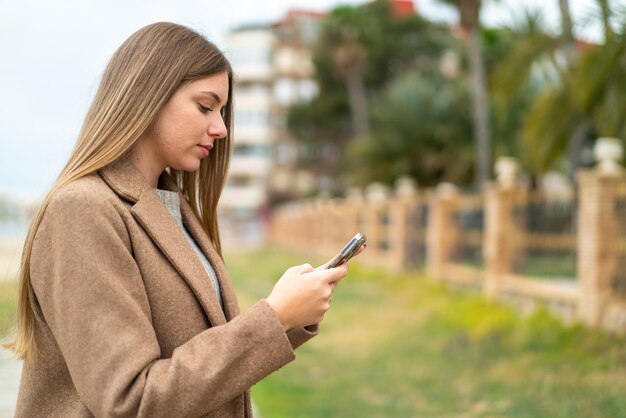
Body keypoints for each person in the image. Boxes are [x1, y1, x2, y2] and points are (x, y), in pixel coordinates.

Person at [7, 22, 362, 417]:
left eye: (222, 111)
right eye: (205, 106)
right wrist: (274, 318)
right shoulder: (83, 210)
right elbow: (130, 401)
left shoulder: (170, 208)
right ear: (147, 95)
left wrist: (287, 319)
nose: (221, 128)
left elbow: (192, 351)